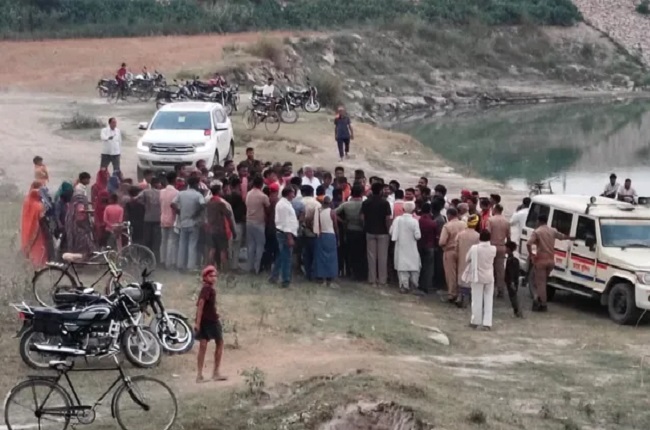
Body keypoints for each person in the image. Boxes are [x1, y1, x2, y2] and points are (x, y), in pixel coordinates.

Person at [526, 213, 573, 312]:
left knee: (540, 283)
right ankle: (539, 299)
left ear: (538, 221)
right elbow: (562, 237)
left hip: (541, 260)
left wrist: (531, 255)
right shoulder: (552, 230)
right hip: (551, 261)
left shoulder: (537, 232)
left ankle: (542, 304)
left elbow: (528, 243)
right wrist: (572, 237)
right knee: (543, 282)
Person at [195, 265, 227, 383]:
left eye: (215, 276)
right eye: (211, 276)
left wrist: (198, 322)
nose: (214, 278)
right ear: (205, 277)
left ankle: (200, 375)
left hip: (205, 320)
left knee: (203, 346)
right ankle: (215, 372)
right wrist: (198, 323)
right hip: (211, 320)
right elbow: (201, 305)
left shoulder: (207, 289)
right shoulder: (207, 289)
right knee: (219, 342)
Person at [463, 230, 497, 330]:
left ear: (480, 238)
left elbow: (467, 259)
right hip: (489, 276)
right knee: (489, 300)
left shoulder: (475, 248)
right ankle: (487, 323)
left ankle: (475, 321)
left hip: (477, 276)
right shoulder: (493, 249)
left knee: (476, 299)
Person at [172, 176, 206, 272]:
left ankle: (180, 265)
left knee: (182, 244)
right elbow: (203, 205)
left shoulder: (181, 193)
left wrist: (179, 211)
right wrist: (196, 213)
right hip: (194, 223)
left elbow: (172, 204)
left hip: (183, 223)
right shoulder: (198, 195)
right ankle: (190, 266)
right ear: (196, 184)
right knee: (192, 245)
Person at [361, 182, 392, 286]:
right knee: (382, 257)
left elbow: (362, 217)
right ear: (381, 191)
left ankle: (372, 279)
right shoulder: (385, 203)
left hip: (370, 231)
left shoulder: (366, 202)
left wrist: (366, 226)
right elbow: (387, 219)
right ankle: (382, 280)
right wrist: (388, 230)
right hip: (383, 232)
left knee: (371, 257)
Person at [335, 184, 366, 281]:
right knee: (361, 253)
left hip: (349, 229)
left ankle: (350, 272)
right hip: (361, 230)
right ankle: (360, 273)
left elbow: (333, 213)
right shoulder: (364, 204)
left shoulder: (346, 204)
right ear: (361, 193)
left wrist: (342, 221)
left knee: (351, 252)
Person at [391, 201, 422, 294]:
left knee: (402, 266)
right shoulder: (414, 221)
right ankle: (414, 285)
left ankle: (404, 286)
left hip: (400, 246)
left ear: (403, 209)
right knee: (414, 266)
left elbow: (391, 232)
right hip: (412, 247)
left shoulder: (397, 220)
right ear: (413, 210)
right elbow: (418, 236)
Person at [270, 187, 299, 287]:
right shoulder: (284, 205)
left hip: (284, 233)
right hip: (285, 233)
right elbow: (286, 223)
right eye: (293, 193)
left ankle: (274, 276)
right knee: (287, 258)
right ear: (288, 193)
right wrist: (289, 237)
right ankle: (285, 280)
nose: (294, 195)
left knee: (281, 256)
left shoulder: (285, 204)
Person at [439, 207, 466, 302]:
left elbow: (442, 241)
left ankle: (452, 294)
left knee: (450, 274)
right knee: (460, 272)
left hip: (450, 251)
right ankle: (460, 293)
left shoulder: (447, 226)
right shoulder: (464, 224)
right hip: (462, 250)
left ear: (449, 215)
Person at [245, 175, 270, 274]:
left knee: (251, 245)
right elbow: (268, 208)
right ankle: (257, 267)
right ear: (261, 184)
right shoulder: (263, 196)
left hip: (249, 221)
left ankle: (249, 266)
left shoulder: (248, 193)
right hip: (259, 222)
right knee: (260, 245)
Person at [206, 183, 234, 271]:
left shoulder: (209, 203)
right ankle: (224, 270)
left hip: (211, 230)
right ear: (218, 191)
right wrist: (233, 231)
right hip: (220, 230)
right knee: (223, 250)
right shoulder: (220, 203)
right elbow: (228, 214)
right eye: (221, 190)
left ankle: (209, 267)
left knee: (212, 249)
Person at [456, 214, 480, 307]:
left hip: (461, 257)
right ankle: (468, 297)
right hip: (473, 259)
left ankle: (460, 296)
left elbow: (456, 247)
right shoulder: (478, 236)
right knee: (470, 277)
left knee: (461, 275)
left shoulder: (460, 234)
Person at [314, 196, 339, 286]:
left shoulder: (319, 212)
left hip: (322, 235)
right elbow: (335, 226)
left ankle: (322, 278)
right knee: (331, 257)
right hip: (330, 235)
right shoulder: (332, 212)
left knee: (322, 257)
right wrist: (338, 236)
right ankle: (330, 278)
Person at [21, 182, 48, 267]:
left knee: (28, 250)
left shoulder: (26, 202)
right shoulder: (39, 206)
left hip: (26, 231)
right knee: (38, 252)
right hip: (38, 233)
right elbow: (41, 220)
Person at [137, 176, 162, 264]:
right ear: (157, 183)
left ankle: (145, 257)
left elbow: (137, 198)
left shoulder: (145, 192)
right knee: (157, 240)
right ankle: (156, 259)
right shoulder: (161, 192)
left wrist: (145, 204)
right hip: (158, 218)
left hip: (147, 218)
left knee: (147, 239)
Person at [65, 185, 96, 257]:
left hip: (74, 227)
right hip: (79, 227)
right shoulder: (80, 203)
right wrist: (92, 212)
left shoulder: (73, 203)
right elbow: (81, 214)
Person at [487, 204, 510, 298]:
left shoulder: (491, 220)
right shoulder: (506, 221)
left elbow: (488, 234)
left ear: (495, 210)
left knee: (489, 268)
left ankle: (489, 289)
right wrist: (508, 248)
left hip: (491, 246)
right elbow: (509, 237)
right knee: (500, 270)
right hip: (501, 246)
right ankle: (500, 290)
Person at [224, 176, 246, 271]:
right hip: (238, 223)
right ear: (238, 185)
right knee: (236, 246)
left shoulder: (227, 197)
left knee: (229, 246)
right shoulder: (239, 197)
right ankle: (234, 266)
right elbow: (242, 211)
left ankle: (228, 265)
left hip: (228, 223)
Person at [301, 185, 320, 281]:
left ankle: (306, 273)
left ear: (302, 193)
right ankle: (313, 274)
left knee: (305, 254)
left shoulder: (299, 202)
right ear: (312, 193)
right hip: (313, 232)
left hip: (301, 230)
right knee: (314, 254)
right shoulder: (317, 204)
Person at [160, 172, 179, 270]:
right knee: (171, 241)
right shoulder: (176, 192)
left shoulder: (161, 191)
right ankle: (169, 262)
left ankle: (162, 261)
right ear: (175, 179)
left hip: (163, 217)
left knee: (163, 241)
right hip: (172, 218)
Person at [418, 202, 436, 293]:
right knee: (429, 267)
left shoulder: (419, 221)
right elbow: (435, 235)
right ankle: (427, 285)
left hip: (420, 245)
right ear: (430, 211)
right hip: (430, 246)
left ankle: (419, 284)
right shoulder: (432, 223)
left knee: (420, 265)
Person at [505, 241, 523, 318]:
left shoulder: (510, 260)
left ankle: (517, 311)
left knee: (513, 296)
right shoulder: (514, 259)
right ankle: (517, 311)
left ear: (509, 249)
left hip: (510, 280)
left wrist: (511, 281)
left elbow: (511, 272)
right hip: (514, 280)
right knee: (513, 295)